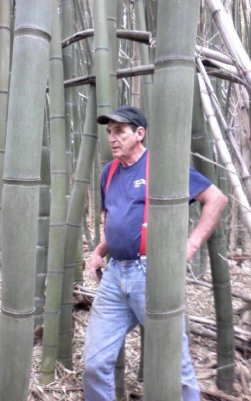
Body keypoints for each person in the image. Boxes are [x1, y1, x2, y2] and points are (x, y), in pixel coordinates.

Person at [82, 105, 228, 401]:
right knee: (95, 364)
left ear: (139, 133)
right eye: (109, 132)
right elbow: (115, 217)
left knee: (175, 367)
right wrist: (99, 250)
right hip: (114, 275)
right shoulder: (108, 173)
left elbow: (216, 198)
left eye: (120, 131)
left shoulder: (161, 165)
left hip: (150, 274)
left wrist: (191, 244)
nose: (112, 138)